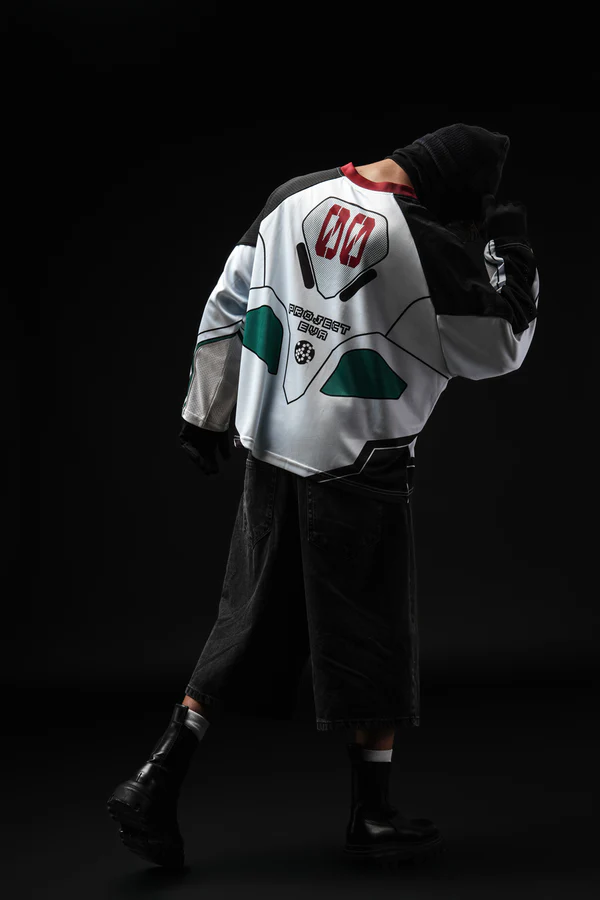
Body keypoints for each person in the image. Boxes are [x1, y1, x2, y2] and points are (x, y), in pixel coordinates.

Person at [107, 124, 540, 870]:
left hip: (270, 447)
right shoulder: (424, 241)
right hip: (360, 460)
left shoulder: (292, 195)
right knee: (372, 633)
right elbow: (501, 343)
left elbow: (227, 301)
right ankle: (371, 814)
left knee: (243, 620)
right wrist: (512, 248)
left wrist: (203, 414)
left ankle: (155, 780)